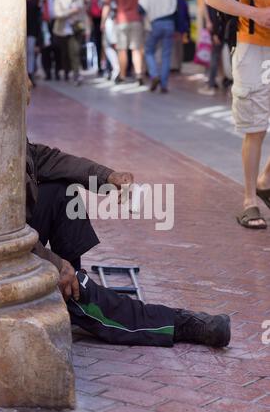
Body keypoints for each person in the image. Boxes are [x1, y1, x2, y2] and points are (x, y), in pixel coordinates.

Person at [26, 79, 230, 349]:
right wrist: (52, 262)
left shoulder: (7, 127)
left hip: (18, 236)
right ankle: (175, 323)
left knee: (62, 189)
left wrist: (108, 177)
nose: (29, 83)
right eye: (23, 77)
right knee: (95, 298)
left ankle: (73, 286)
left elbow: (44, 159)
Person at [206, 0, 270, 229]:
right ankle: (249, 200)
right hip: (252, 47)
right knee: (256, 129)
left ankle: (265, 181)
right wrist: (255, 13)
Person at [101, 0, 144, 85]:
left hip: (121, 20)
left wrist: (103, 21)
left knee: (122, 49)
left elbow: (107, 4)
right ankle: (138, 74)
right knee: (136, 49)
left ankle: (122, 75)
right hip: (136, 19)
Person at [138, 0, 177, 93]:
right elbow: (175, 9)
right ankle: (164, 84)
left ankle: (154, 74)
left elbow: (141, 9)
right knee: (166, 55)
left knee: (149, 51)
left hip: (154, 23)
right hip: (169, 23)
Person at [53, 0, 83, 85]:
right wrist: (71, 12)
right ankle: (66, 71)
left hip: (75, 29)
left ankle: (76, 74)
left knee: (75, 51)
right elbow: (58, 14)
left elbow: (82, 12)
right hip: (62, 30)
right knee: (64, 53)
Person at [88, 0, 107, 76]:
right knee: (108, 44)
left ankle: (100, 66)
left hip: (95, 21)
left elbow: (88, 9)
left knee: (98, 44)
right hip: (107, 20)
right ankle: (108, 66)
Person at [26, 0, 42, 87]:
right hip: (21, 31)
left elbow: (37, 17)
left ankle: (30, 75)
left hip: (31, 30)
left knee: (31, 53)